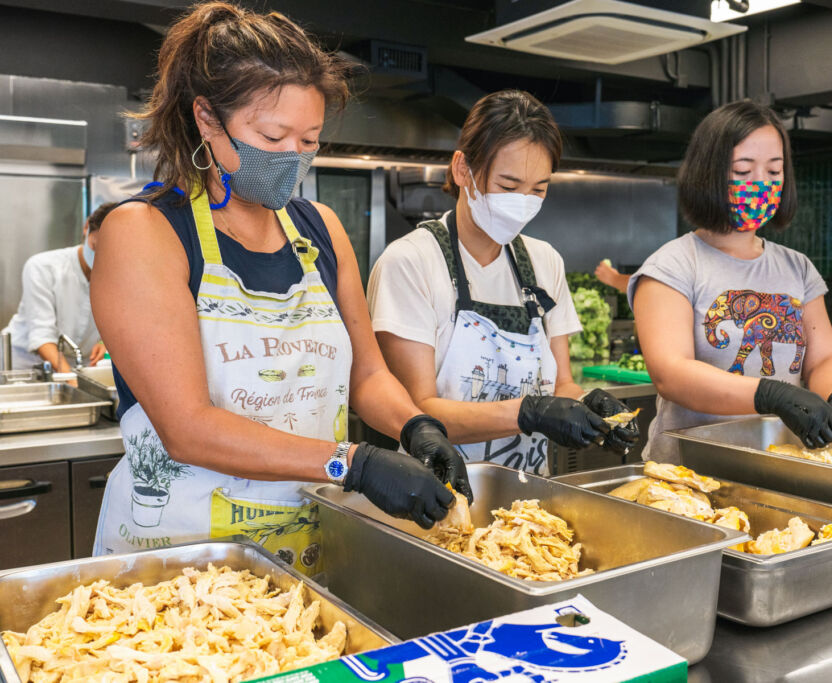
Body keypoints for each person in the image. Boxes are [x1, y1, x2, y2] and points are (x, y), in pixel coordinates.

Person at [90, 2, 470, 574]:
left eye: (309, 139)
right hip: (181, 560)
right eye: (272, 136)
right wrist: (354, 463)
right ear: (207, 119)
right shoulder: (144, 232)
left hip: (307, 547)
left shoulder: (320, 229)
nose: (293, 157)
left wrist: (416, 426)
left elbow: (366, 375)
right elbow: (188, 429)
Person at [367, 90, 638, 475]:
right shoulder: (411, 262)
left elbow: (562, 384)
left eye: (538, 189)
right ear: (462, 169)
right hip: (437, 490)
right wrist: (527, 413)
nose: (523, 202)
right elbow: (416, 411)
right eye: (509, 187)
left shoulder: (545, 262)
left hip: (529, 492)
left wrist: (590, 406)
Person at [629, 101, 832, 460]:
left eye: (774, 171)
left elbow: (824, 356)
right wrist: (770, 394)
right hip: (688, 471)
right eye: (743, 170)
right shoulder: (673, 265)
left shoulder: (797, 267)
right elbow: (671, 374)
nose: (761, 183)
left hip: (778, 463)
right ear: (707, 174)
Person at [3, 203, 116, 372]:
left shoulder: (120, 278)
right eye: (96, 246)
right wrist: (69, 378)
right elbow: (42, 336)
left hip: (79, 368)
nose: (102, 256)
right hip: (24, 365)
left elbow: (118, 325)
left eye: (111, 252)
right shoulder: (43, 267)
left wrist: (103, 343)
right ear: (87, 227)